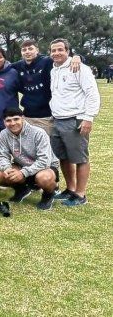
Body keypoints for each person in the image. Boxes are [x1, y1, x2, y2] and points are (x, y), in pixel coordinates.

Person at [48, 38, 100, 206]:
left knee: (80, 158)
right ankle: (70, 189)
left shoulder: (79, 68)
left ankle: (80, 194)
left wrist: (88, 118)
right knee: (64, 157)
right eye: (53, 50)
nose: (56, 53)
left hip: (75, 119)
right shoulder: (53, 69)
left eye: (60, 50)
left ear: (68, 51)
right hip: (57, 119)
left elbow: (92, 94)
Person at [11, 40, 81, 135]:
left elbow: (63, 60)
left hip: (46, 116)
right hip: (27, 116)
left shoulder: (47, 61)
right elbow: (0, 66)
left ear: (37, 50)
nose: (27, 52)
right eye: (24, 50)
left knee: (46, 146)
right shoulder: (18, 66)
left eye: (30, 49)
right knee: (29, 147)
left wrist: (77, 57)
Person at [0, 108, 60, 210]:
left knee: (44, 178)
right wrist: (7, 168)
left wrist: (23, 173)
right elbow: (2, 155)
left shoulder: (39, 133)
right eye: (8, 120)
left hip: (45, 167)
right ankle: (22, 190)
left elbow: (44, 161)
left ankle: (48, 195)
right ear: (4, 122)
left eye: (16, 119)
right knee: (0, 174)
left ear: (23, 119)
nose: (12, 123)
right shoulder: (3, 134)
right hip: (22, 165)